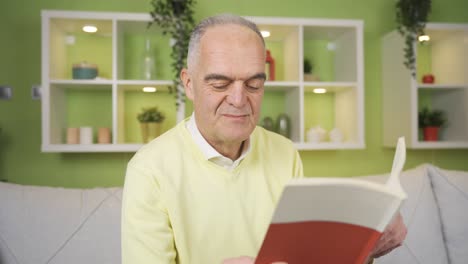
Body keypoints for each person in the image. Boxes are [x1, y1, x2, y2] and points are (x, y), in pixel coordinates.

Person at [121, 14, 407, 264]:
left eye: (254, 84)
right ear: (189, 84)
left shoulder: (284, 152)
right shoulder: (149, 169)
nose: (238, 99)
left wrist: (365, 250)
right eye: (220, 84)